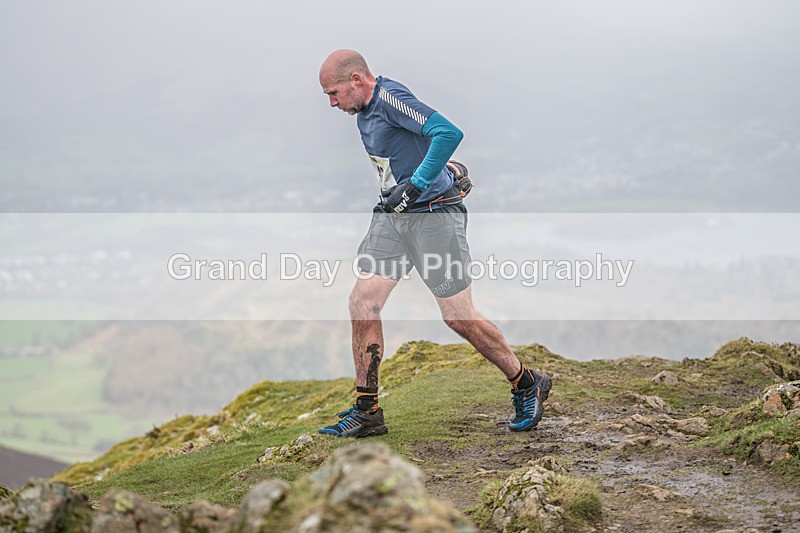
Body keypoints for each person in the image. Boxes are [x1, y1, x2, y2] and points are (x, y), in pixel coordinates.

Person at [317, 49, 551, 437]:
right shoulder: (363, 110)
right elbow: (407, 154)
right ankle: (368, 409)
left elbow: (447, 132)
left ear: (357, 80)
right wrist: (418, 183)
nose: (331, 103)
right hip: (394, 218)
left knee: (457, 316)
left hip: (433, 217)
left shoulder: (390, 99)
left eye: (335, 93)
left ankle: (527, 383)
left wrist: (421, 184)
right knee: (363, 302)